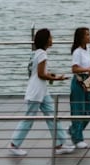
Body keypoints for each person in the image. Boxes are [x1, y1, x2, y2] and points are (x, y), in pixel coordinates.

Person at [8, 27, 67, 156]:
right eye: (50, 38)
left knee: (52, 116)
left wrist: (49, 75)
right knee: (29, 119)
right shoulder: (42, 54)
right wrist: (56, 78)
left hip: (41, 91)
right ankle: (14, 144)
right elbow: (40, 74)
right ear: (45, 40)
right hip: (36, 92)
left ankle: (60, 144)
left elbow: (37, 72)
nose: (52, 40)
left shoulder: (35, 53)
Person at [67, 26, 90, 151]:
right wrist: (88, 69)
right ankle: (77, 138)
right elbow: (74, 69)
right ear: (81, 37)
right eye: (87, 35)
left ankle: (74, 130)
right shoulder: (77, 52)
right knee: (78, 110)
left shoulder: (87, 49)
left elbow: (88, 63)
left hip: (86, 81)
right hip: (79, 82)